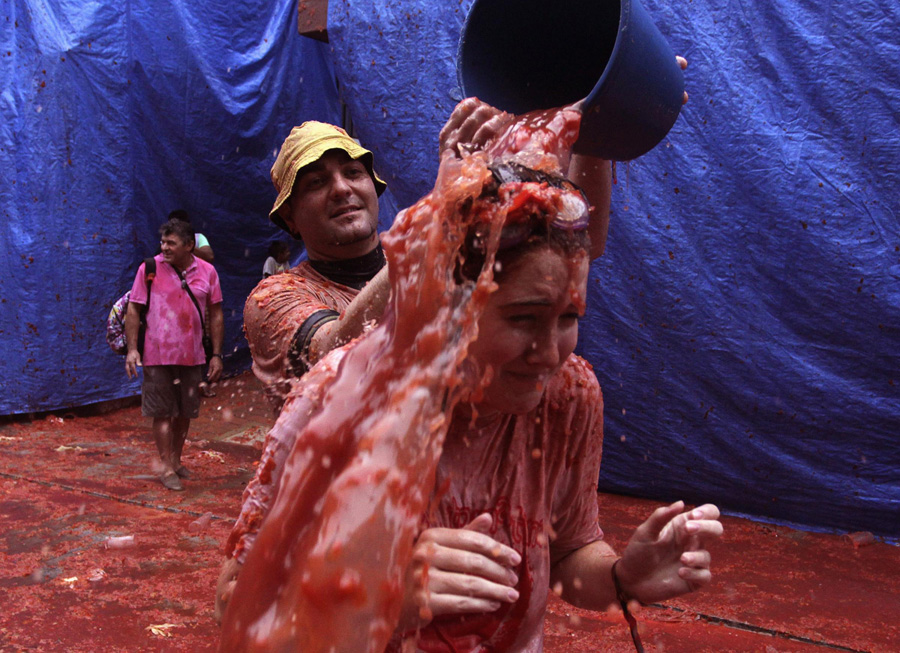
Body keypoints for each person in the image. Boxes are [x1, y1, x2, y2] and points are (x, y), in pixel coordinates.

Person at [216, 158, 722, 650]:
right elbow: (237, 604)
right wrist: (372, 596)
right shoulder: (337, 401)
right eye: (524, 319)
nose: (549, 355)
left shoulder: (568, 395)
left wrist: (622, 578)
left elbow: (569, 551)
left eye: (569, 317)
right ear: (448, 308)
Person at [243, 103, 613, 413]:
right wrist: (447, 211)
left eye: (353, 172)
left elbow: (576, 245)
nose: (341, 189)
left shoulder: (437, 255)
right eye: (316, 183)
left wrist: (597, 128)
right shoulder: (275, 298)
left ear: (373, 186)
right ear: (290, 217)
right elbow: (334, 356)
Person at [125, 218, 224, 491]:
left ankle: (177, 460)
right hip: (157, 354)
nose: (164, 248)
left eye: (171, 243)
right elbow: (134, 309)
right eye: (163, 242)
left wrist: (216, 354)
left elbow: (215, 314)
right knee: (162, 412)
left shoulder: (208, 272)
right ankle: (166, 465)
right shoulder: (150, 269)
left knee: (184, 413)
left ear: (189, 245)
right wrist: (133, 350)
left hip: (193, 355)